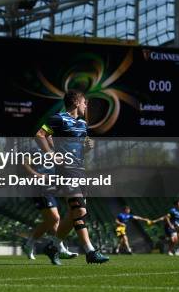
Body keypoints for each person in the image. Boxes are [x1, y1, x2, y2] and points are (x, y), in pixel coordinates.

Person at [35, 90, 109, 265]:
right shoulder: (59, 119)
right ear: (76, 102)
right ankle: (90, 251)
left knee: (76, 212)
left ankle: (53, 246)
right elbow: (40, 134)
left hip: (80, 170)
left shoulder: (83, 124)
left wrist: (87, 148)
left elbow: (79, 149)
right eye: (84, 103)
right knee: (79, 210)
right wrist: (51, 154)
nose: (86, 106)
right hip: (66, 170)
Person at [21, 153, 78, 261]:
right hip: (40, 188)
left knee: (52, 221)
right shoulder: (34, 149)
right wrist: (39, 176)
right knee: (54, 218)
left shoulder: (56, 150)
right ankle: (59, 249)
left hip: (52, 189)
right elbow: (24, 164)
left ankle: (29, 245)